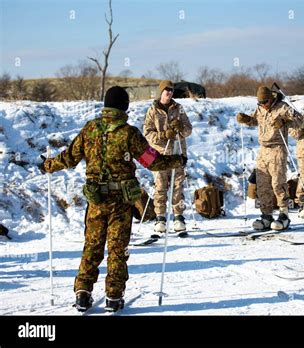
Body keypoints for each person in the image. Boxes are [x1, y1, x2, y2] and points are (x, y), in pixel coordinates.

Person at [39, 86, 185, 312]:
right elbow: (152, 162)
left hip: (96, 201)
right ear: (124, 107)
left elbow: (69, 158)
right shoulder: (129, 133)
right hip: (121, 203)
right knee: (117, 250)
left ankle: (83, 294)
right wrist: (177, 160)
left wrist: (48, 165)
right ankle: (114, 297)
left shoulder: (90, 130)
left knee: (92, 246)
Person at [237, 86, 302, 231]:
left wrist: (284, 122)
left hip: (277, 148)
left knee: (278, 182)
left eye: (265, 102)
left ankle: (284, 214)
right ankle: (266, 215)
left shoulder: (282, 107)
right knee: (262, 184)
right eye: (260, 103)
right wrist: (247, 119)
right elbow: (256, 120)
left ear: (271, 98)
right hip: (263, 150)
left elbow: (301, 121)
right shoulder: (260, 108)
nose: (263, 105)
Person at [143, 80, 193, 233]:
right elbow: (148, 134)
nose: (169, 93)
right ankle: (160, 218)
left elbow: (188, 130)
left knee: (178, 186)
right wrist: (164, 135)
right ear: (161, 92)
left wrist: (180, 129)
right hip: (159, 154)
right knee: (160, 187)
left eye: (171, 90)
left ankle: (178, 217)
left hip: (177, 153)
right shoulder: (153, 110)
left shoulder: (179, 109)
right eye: (167, 90)